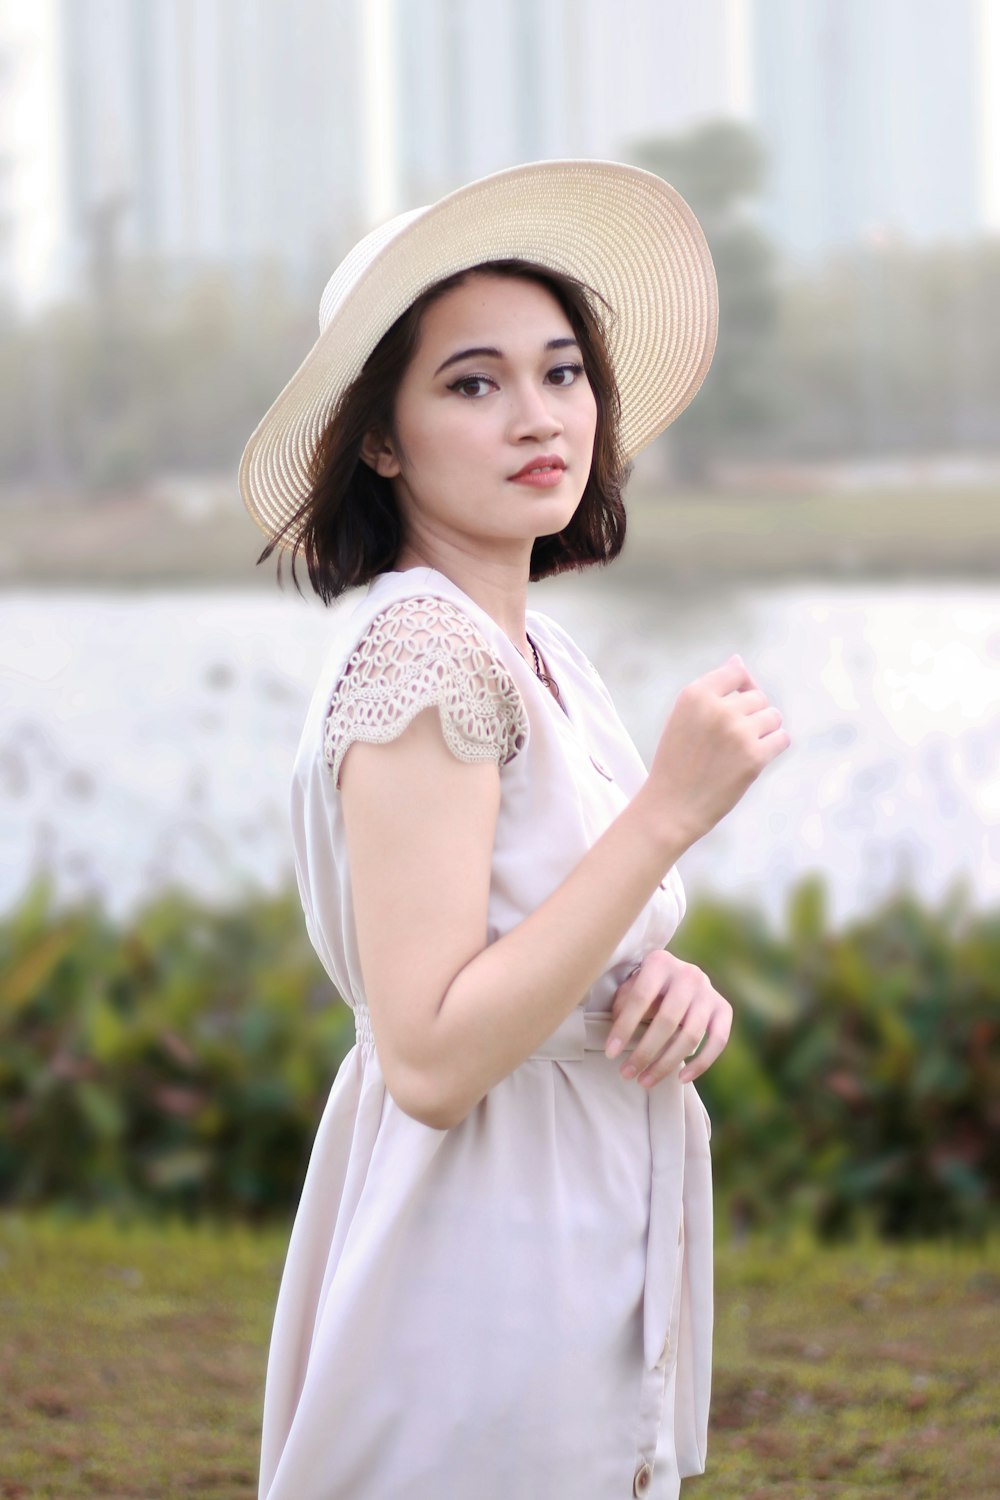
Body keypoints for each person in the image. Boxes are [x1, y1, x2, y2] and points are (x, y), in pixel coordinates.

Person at [239, 159, 789, 1500]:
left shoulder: (532, 653)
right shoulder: (425, 653)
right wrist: (666, 815)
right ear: (381, 437)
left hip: (571, 1208)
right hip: (482, 1238)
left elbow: (549, 947)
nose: (539, 415)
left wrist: (658, 993)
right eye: (473, 383)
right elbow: (430, 1052)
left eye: (562, 371)